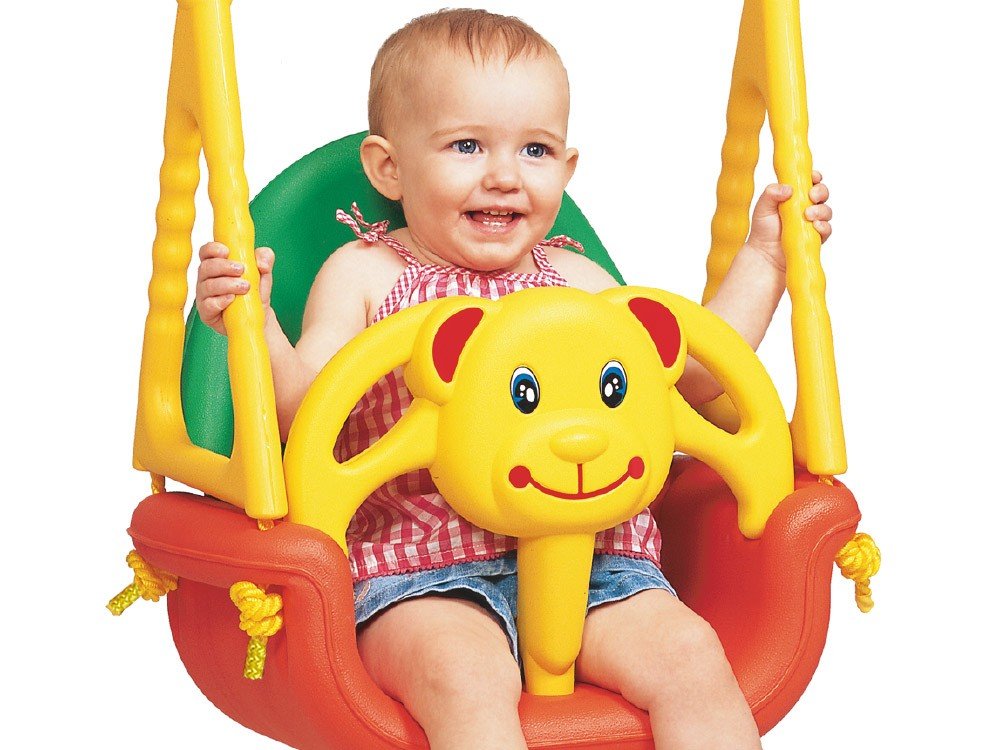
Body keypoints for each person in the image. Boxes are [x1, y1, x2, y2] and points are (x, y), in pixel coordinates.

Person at [195, 10, 832, 750]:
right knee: (465, 676)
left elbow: (692, 376)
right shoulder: (367, 275)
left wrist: (765, 259)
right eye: (466, 145)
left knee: (692, 658)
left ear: (567, 168)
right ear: (388, 168)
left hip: (597, 562)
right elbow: (304, 410)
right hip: (423, 571)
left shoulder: (576, 281)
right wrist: (256, 329)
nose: (504, 175)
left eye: (536, 149)